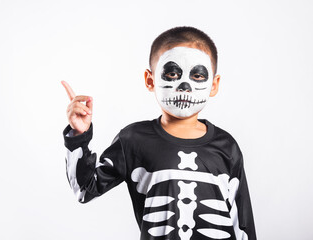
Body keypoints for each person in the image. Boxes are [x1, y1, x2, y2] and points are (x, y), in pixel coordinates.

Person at [61, 26, 256, 240]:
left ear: (213, 85)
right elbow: (84, 190)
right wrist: (78, 136)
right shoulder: (134, 140)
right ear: (150, 80)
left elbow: (243, 224)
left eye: (197, 75)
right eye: (172, 73)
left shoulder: (226, 146)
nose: (184, 87)